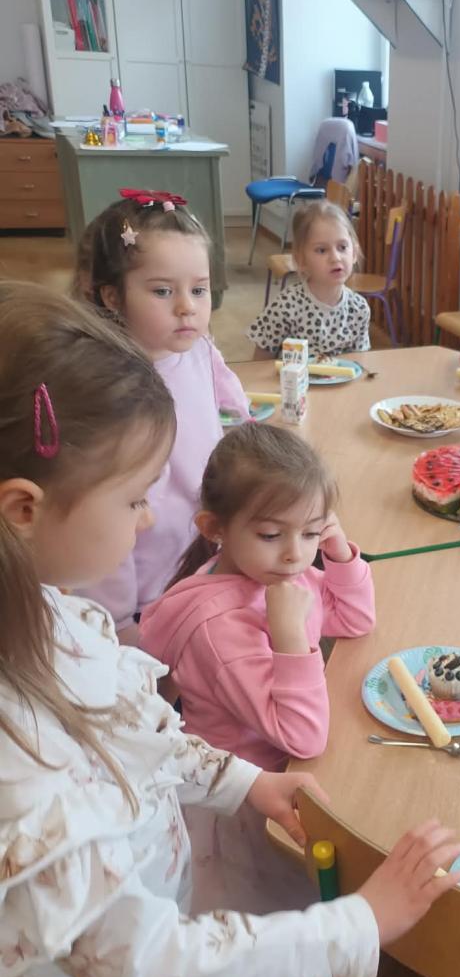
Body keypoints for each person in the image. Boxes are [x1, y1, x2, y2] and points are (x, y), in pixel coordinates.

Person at [0, 286, 460, 977]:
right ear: (24, 507)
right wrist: (360, 923)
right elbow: (146, 964)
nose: (150, 521)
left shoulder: (48, 612)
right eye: (135, 498)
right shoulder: (16, 754)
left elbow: (138, 732)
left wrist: (243, 781)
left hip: (142, 933)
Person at [140, 423, 375, 914]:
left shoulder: (273, 571)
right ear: (215, 529)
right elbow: (303, 737)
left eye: (311, 532)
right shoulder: (220, 630)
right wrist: (291, 638)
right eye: (271, 534)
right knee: (263, 911)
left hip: (282, 778)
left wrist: (338, 554)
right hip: (247, 804)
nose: (295, 553)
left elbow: (355, 620)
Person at [74, 188, 250, 639]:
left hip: (204, 551)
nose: (187, 306)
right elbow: (98, 521)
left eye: (199, 289)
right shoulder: (108, 391)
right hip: (144, 584)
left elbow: (235, 414)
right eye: (162, 291)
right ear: (113, 296)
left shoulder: (200, 350)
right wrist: (117, 621)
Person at [247, 200, 370, 358]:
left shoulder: (359, 308)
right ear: (301, 260)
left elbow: (359, 363)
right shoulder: (287, 305)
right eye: (322, 250)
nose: (335, 258)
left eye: (342, 247)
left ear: (354, 253)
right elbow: (260, 360)